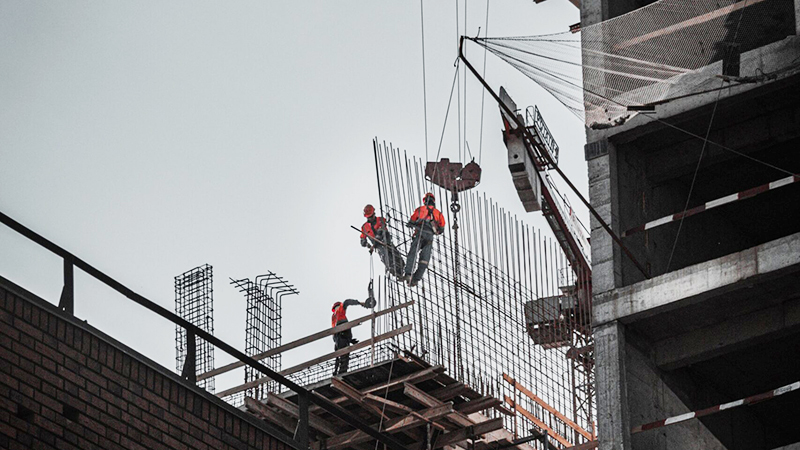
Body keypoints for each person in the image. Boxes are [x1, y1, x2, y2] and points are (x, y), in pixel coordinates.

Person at [404, 192, 446, 287]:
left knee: (413, 253)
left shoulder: (421, 209)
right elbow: (442, 228)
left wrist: (411, 224)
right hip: (429, 237)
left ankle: (408, 274)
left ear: (424, 201)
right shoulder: (438, 213)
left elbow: (412, 220)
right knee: (424, 260)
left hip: (420, 233)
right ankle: (416, 279)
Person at [360, 204, 404, 278]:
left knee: (396, 255)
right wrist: (364, 243)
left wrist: (376, 240)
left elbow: (381, 230)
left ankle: (403, 268)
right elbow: (362, 238)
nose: (370, 218)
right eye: (369, 217)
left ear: (374, 213)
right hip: (378, 246)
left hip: (386, 241)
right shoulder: (364, 227)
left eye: (371, 216)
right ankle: (395, 272)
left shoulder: (380, 220)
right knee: (385, 256)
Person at [331, 298, 367, 375]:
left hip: (338, 339)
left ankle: (336, 372)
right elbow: (347, 302)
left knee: (338, 356)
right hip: (342, 338)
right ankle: (342, 374)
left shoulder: (334, 318)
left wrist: (350, 340)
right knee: (344, 357)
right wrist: (360, 303)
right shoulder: (339, 311)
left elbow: (337, 332)